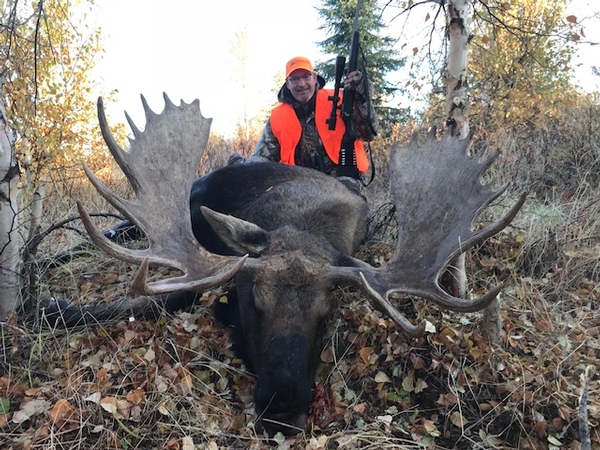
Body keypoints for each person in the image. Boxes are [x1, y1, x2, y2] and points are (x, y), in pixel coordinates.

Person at [228, 56, 379, 182]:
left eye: (306, 76)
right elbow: (263, 157)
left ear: (314, 77)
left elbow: (369, 132)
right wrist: (244, 169)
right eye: (294, 79)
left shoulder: (340, 99)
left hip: (346, 181)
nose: (301, 84)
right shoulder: (277, 118)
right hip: (301, 189)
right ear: (287, 83)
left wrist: (362, 96)